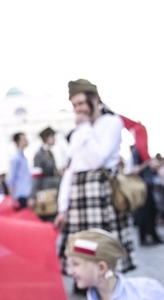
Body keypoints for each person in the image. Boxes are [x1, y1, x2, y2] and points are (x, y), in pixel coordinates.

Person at [55, 79, 135, 273]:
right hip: (78, 189)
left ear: (95, 99)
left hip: (99, 189)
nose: (78, 109)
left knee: (100, 240)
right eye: (74, 105)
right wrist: (62, 207)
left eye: (81, 103)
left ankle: (106, 278)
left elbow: (97, 160)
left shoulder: (112, 123)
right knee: (81, 241)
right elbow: (71, 169)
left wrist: (84, 129)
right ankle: (85, 278)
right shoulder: (78, 132)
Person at [128, 144, 164, 246]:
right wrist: (146, 162)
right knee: (143, 212)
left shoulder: (145, 153)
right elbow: (136, 169)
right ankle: (144, 237)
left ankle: (153, 235)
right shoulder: (137, 153)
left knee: (152, 211)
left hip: (149, 185)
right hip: (141, 186)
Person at [8, 132, 33, 210]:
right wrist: (12, 198)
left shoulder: (23, 157)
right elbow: (11, 179)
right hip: (21, 195)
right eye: (24, 139)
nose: (26, 140)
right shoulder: (16, 158)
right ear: (18, 141)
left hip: (26, 194)